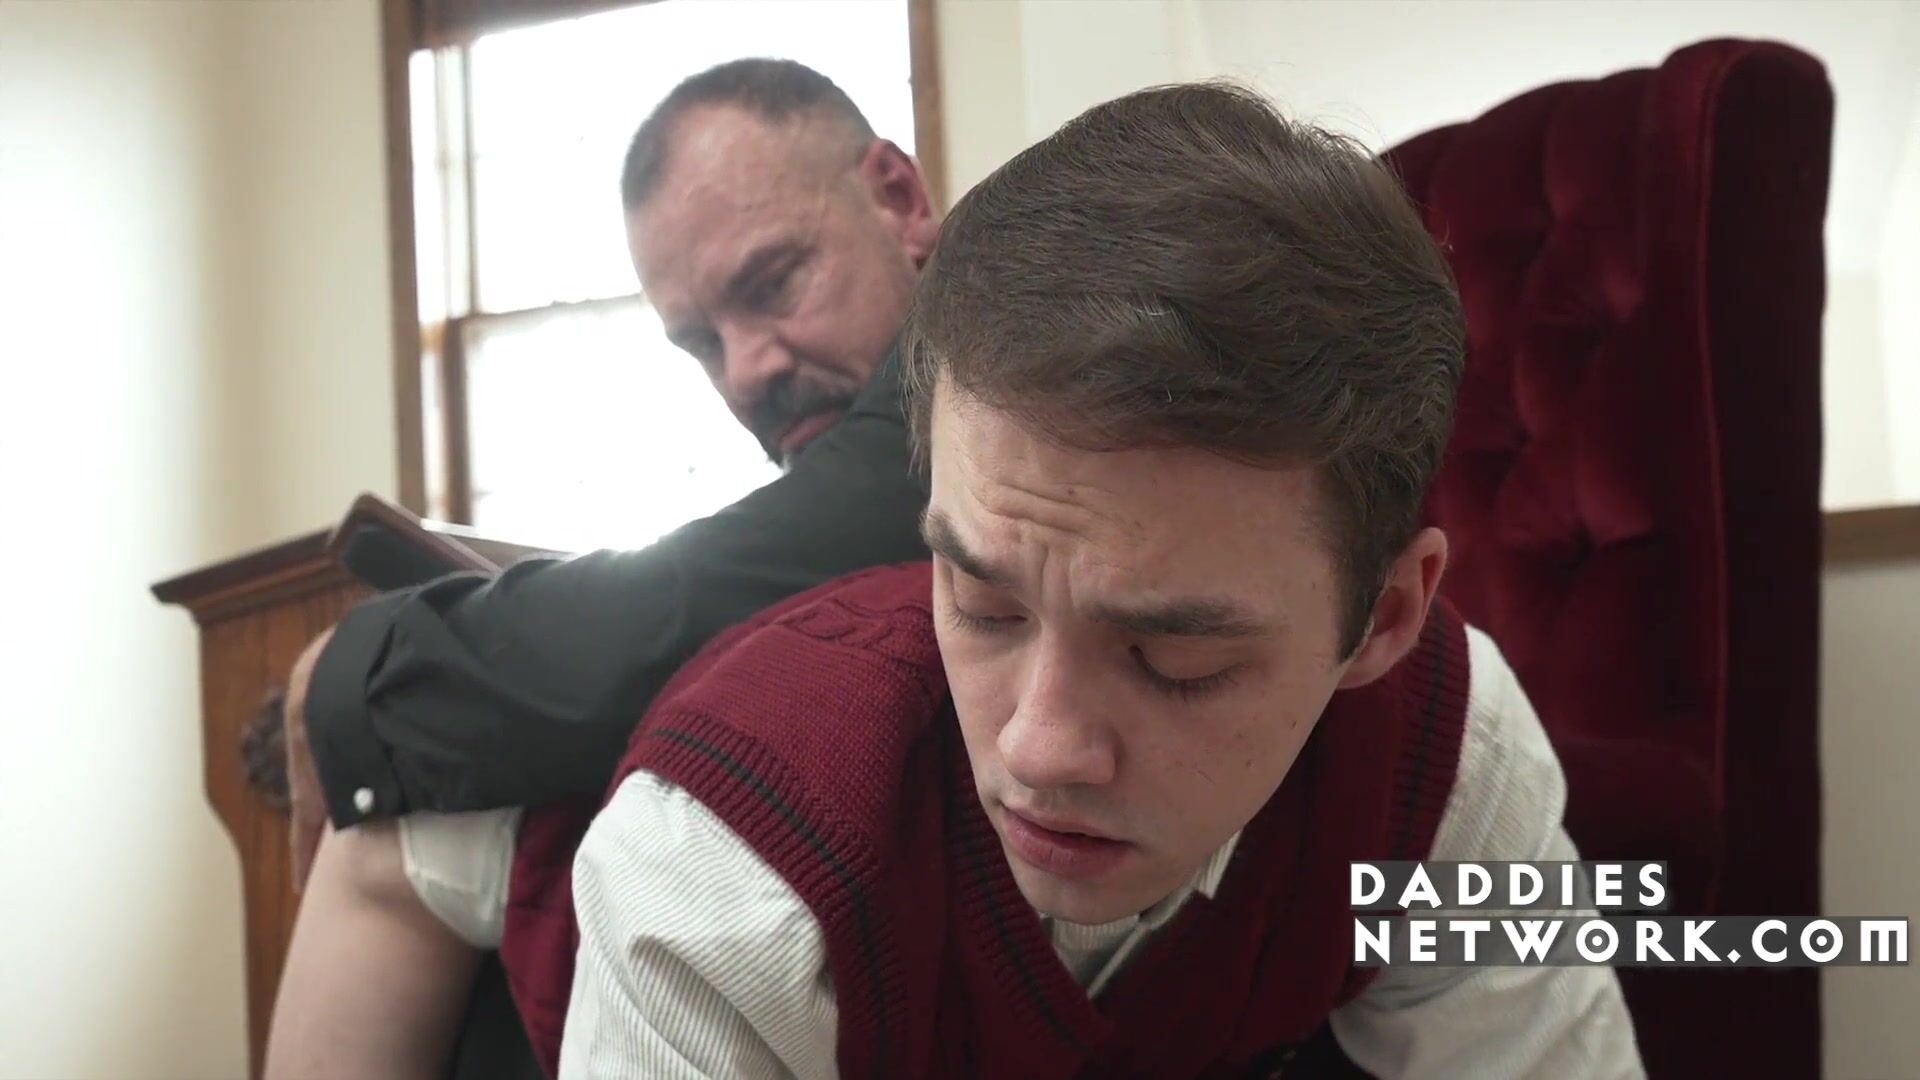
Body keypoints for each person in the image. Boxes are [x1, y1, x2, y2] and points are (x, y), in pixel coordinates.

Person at [498, 82, 1644, 1077]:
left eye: (1175, 657)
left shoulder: (1452, 751)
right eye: (981, 603)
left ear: (1383, 619)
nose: (1039, 750)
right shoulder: (717, 875)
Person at [264, 58, 939, 1080]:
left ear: (896, 195)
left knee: (401, 845)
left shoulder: (999, 336)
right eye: (700, 343)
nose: (746, 370)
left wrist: (357, 674)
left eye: (773, 283)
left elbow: (702, 600)